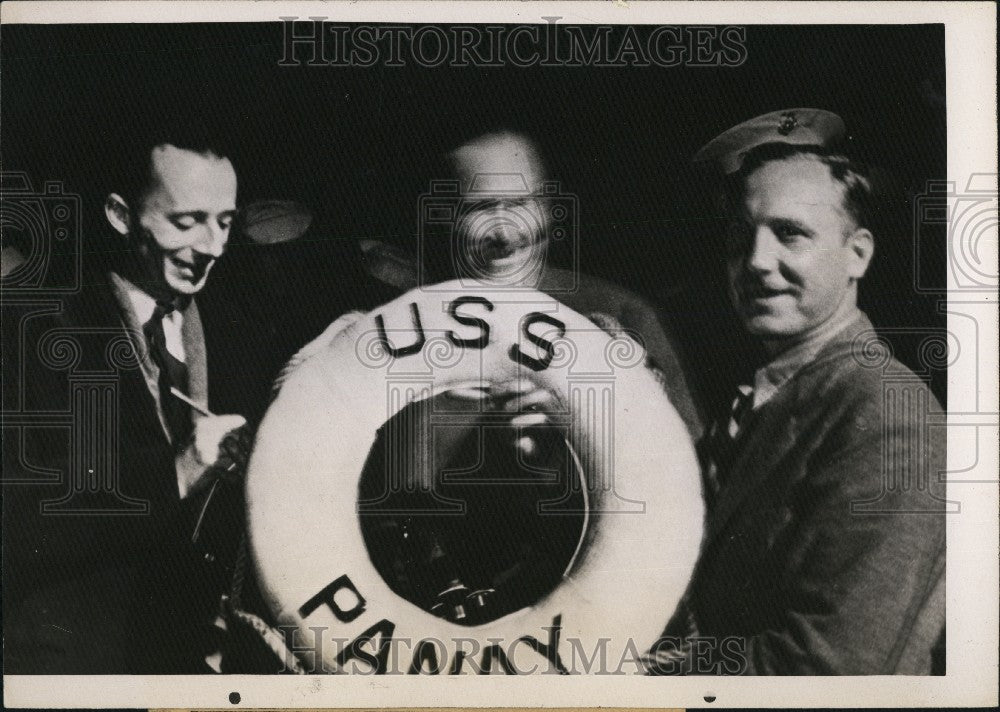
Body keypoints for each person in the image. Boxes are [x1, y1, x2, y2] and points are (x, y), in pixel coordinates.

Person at [646, 110, 947, 675]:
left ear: (858, 253)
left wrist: (633, 677)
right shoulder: (774, 394)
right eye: (741, 236)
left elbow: (831, 668)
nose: (757, 262)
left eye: (791, 234)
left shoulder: (886, 415)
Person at [2, 126, 251, 673]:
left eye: (225, 222)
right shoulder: (31, 326)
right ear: (119, 215)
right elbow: (18, 516)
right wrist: (177, 471)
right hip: (73, 666)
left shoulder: (236, 325)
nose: (211, 247)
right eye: (185, 222)